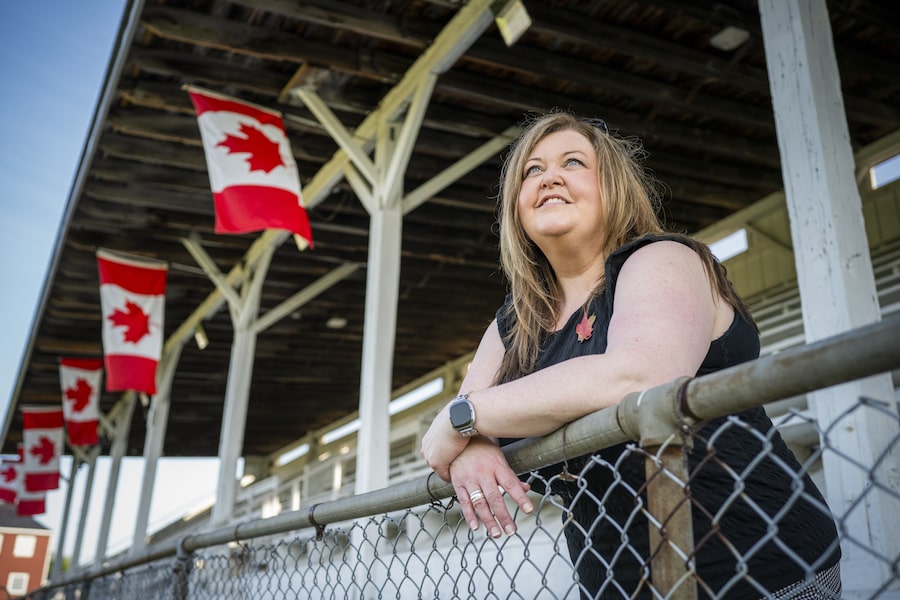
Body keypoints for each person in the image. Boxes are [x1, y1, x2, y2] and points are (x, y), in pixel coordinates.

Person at [421, 111, 842, 599]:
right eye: (532, 170)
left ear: (614, 186)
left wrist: (464, 419)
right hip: (615, 582)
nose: (549, 177)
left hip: (757, 568)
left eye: (572, 162)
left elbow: (640, 377)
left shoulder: (662, 258)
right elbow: (456, 428)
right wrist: (473, 442)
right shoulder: (514, 322)